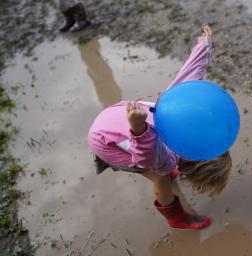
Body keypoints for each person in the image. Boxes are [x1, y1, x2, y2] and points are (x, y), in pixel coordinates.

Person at [88, 26, 232, 230]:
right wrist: (139, 129)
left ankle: (147, 144)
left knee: (160, 162)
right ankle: (177, 219)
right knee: (160, 175)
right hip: (106, 142)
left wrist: (205, 45)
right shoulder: (165, 159)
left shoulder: (175, 119)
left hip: (113, 118)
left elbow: (189, 75)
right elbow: (145, 157)